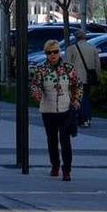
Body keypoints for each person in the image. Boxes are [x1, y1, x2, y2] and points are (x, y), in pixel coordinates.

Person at [30, 39, 83, 182]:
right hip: (48, 110)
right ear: (46, 53)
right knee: (52, 139)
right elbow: (35, 85)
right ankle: (55, 165)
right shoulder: (41, 70)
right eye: (49, 52)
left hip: (65, 110)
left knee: (65, 140)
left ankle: (67, 170)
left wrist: (76, 100)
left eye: (55, 52)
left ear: (60, 52)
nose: (52, 55)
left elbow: (77, 85)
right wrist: (37, 93)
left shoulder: (68, 69)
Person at [66, 30, 101, 128]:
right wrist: (97, 77)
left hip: (76, 78)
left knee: (77, 98)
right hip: (89, 78)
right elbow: (97, 65)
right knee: (86, 98)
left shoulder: (71, 49)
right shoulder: (93, 48)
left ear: (76, 38)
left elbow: (68, 65)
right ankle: (86, 118)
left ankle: (81, 118)